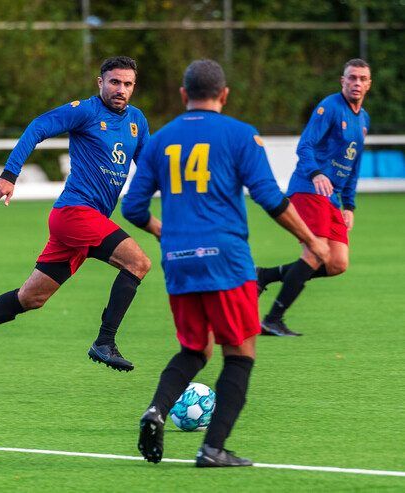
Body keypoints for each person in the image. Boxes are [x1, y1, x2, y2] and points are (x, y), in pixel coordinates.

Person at [122, 60, 329, 466]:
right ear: (225, 94)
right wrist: (310, 240)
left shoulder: (161, 140)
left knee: (194, 349)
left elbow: (132, 207)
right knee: (240, 351)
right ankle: (212, 448)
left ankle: (156, 410)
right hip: (226, 260)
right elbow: (270, 197)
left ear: (184, 95)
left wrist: (166, 233)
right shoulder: (239, 135)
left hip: (180, 262)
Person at [0, 56, 152, 378]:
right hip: (75, 213)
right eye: (114, 82)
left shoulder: (137, 120)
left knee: (31, 297)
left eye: (128, 84)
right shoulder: (85, 111)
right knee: (138, 263)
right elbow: (38, 126)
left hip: (85, 222)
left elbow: (148, 166)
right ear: (100, 82)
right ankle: (105, 341)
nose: (121, 89)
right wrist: (10, 175)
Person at [256, 59, 371, 336]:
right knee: (316, 251)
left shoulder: (363, 118)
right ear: (342, 81)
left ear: (369, 84)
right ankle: (273, 319)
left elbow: (353, 166)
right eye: (351, 78)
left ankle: (265, 276)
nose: (356, 83)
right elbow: (305, 145)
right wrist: (317, 173)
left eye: (362, 79)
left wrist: (349, 205)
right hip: (309, 188)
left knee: (337, 263)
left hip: (332, 198)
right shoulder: (330, 107)